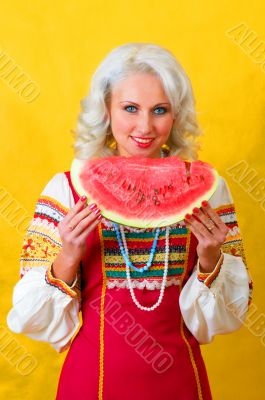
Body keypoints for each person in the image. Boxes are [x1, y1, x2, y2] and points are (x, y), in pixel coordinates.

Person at [6, 43, 253, 400]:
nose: (145, 126)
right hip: (92, 382)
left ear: (176, 115)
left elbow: (230, 314)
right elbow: (31, 317)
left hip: (180, 382)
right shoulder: (66, 188)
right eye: (130, 108)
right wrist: (68, 256)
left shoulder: (209, 191)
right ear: (106, 109)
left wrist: (212, 258)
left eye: (160, 110)